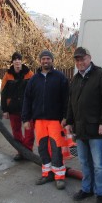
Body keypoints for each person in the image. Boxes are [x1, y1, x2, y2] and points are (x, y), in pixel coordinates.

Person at [65, 46, 102, 203]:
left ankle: (101, 194)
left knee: (99, 165)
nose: (80, 62)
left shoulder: (101, 76)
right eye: (77, 60)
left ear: (89, 58)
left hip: (96, 129)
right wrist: (70, 122)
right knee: (85, 162)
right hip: (80, 129)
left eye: (83, 59)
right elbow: (71, 103)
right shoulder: (75, 79)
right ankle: (87, 189)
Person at [22, 50, 69, 190]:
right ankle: (47, 174)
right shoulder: (33, 80)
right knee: (42, 148)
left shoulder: (60, 77)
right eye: (43, 59)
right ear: (40, 61)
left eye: (48, 58)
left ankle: (59, 176)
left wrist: (66, 117)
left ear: (52, 60)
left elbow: (67, 99)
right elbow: (27, 100)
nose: (46, 61)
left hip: (55, 120)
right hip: (39, 121)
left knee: (56, 148)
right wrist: (25, 119)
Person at [0, 52, 34, 161]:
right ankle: (20, 151)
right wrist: (5, 109)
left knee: (29, 131)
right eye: (15, 59)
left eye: (19, 59)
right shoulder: (7, 75)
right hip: (13, 108)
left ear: (22, 61)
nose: (17, 61)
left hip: (27, 109)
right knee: (16, 131)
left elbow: (35, 91)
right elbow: (3, 93)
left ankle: (28, 151)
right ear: (12, 61)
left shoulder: (29, 74)